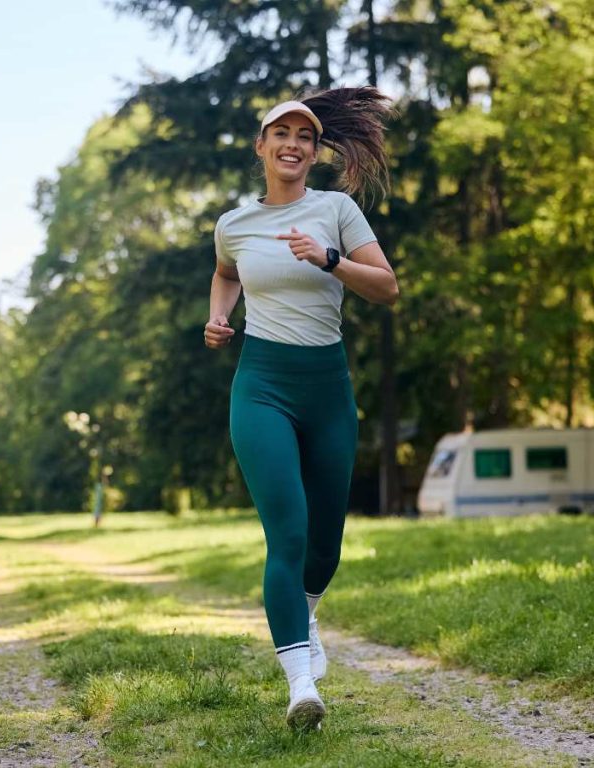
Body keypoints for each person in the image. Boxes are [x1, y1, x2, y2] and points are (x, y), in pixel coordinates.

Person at [204, 87, 398, 730]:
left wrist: (330, 259)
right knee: (286, 533)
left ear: (314, 152)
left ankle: (306, 613)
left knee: (325, 546)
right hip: (262, 385)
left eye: (305, 137)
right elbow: (227, 271)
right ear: (261, 146)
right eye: (280, 134)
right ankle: (300, 687)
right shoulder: (233, 224)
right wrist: (218, 317)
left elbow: (387, 288)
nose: (292, 144)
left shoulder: (336, 211)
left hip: (327, 388)